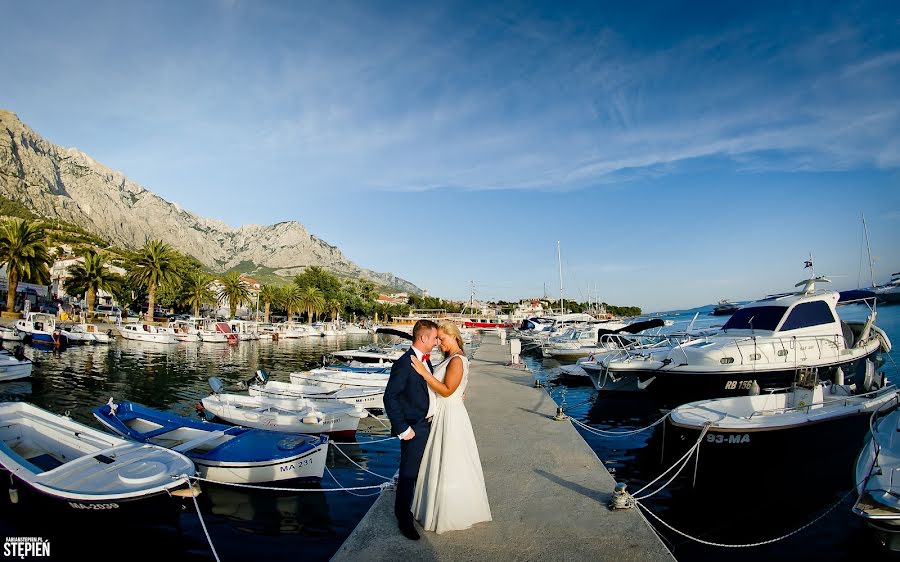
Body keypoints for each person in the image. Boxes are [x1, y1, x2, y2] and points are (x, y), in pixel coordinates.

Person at [409, 320, 492, 534]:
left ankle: (450, 511)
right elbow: (454, 388)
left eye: (442, 339)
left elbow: (446, 390)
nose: (438, 344)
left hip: (450, 415)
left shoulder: (456, 360)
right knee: (443, 459)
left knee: (449, 460)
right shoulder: (452, 358)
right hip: (446, 412)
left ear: (454, 337)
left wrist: (424, 373)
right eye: (437, 339)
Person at [383, 319, 439, 541]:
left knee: (419, 471)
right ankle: (403, 518)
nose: (436, 342)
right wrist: (403, 428)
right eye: (434, 338)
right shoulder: (405, 363)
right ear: (424, 337)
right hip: (414, 427)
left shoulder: (425, 361)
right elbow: (390, 397)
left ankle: (414, 507)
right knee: (408, 474)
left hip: (427, 424)